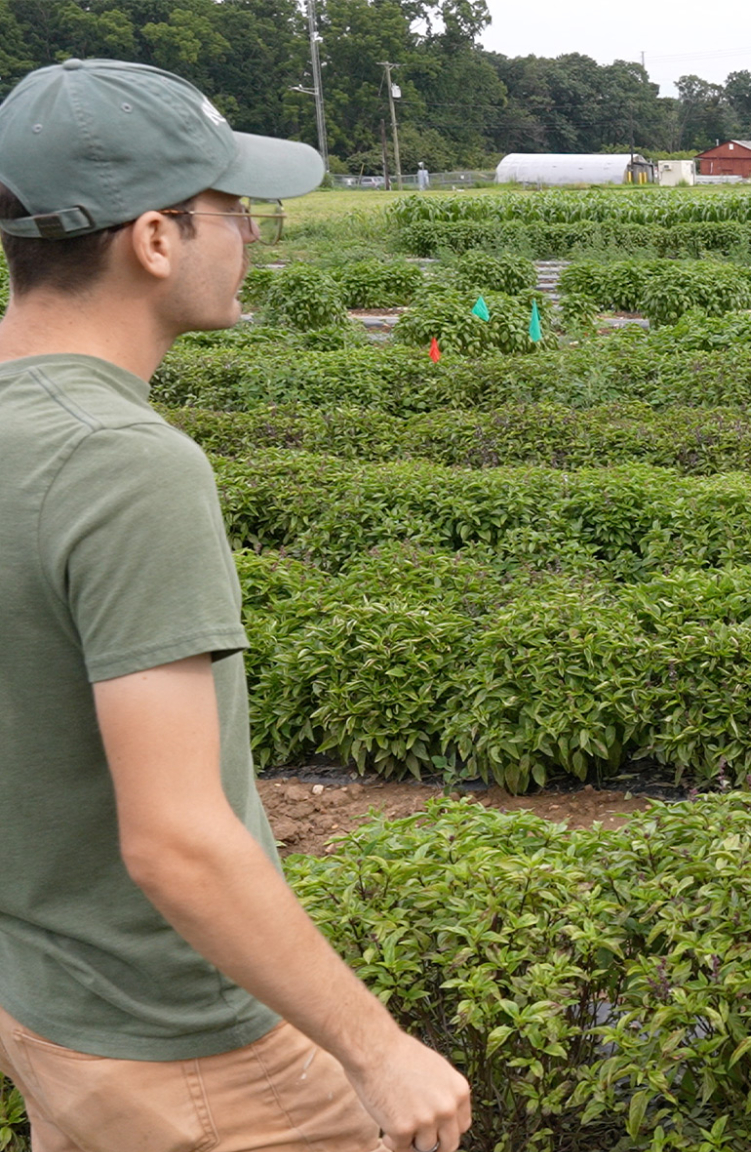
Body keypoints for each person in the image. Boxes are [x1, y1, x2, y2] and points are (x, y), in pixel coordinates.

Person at [0, 60, 470, 1152]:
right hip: (186, 1044)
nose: (252, 235)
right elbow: (175, 839)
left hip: (51, 1011)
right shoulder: (122, 464)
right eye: (234, 210)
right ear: (155, 239)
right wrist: (377, 1049)